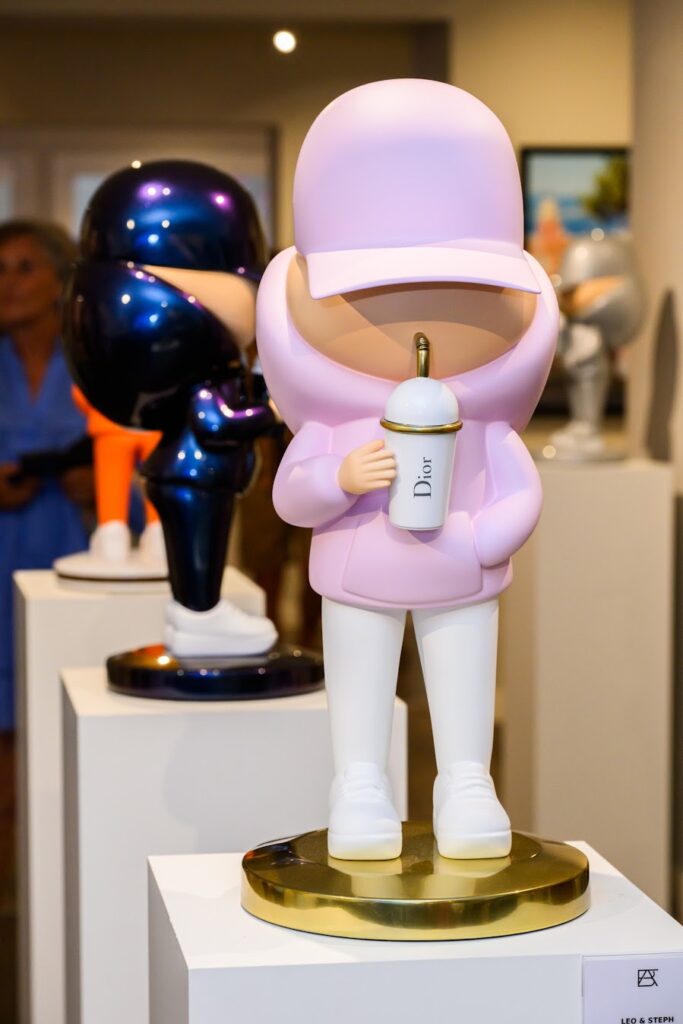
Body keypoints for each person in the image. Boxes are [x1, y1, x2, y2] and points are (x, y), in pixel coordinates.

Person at [0, 219, 93, 730]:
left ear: (59, 281)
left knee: (71, 695)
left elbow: (134, 450)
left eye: (25, 268)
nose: (8, 283)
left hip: (76, 541)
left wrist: (97, 483)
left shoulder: (92, 362)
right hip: (3, 547)